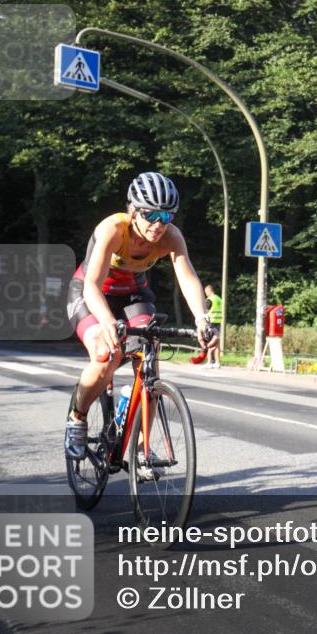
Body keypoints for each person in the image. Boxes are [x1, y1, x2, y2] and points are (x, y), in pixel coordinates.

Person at [64, 171, 216, 461]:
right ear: (133, 211)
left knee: (150, 353)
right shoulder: (112, 230)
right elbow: (92, 287)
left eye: (166, 216)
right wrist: (108, 323)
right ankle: (77, 418)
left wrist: (201, 318)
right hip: (91, 292)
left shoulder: (171, 237)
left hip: (134, 295)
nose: (158, 224)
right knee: (105, 354)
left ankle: (143, 446)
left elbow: (187, 276)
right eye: (150, 215)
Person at [204, 284, 223, 368]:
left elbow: (206, 311)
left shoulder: (209, 299)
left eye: (206, 292)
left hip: (211, 322)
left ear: (209, 290)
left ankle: (209, 362)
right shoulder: (219, 298)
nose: (205, 294)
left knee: (209, 343)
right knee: (217, 343)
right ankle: (217, 362)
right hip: (218, 322)